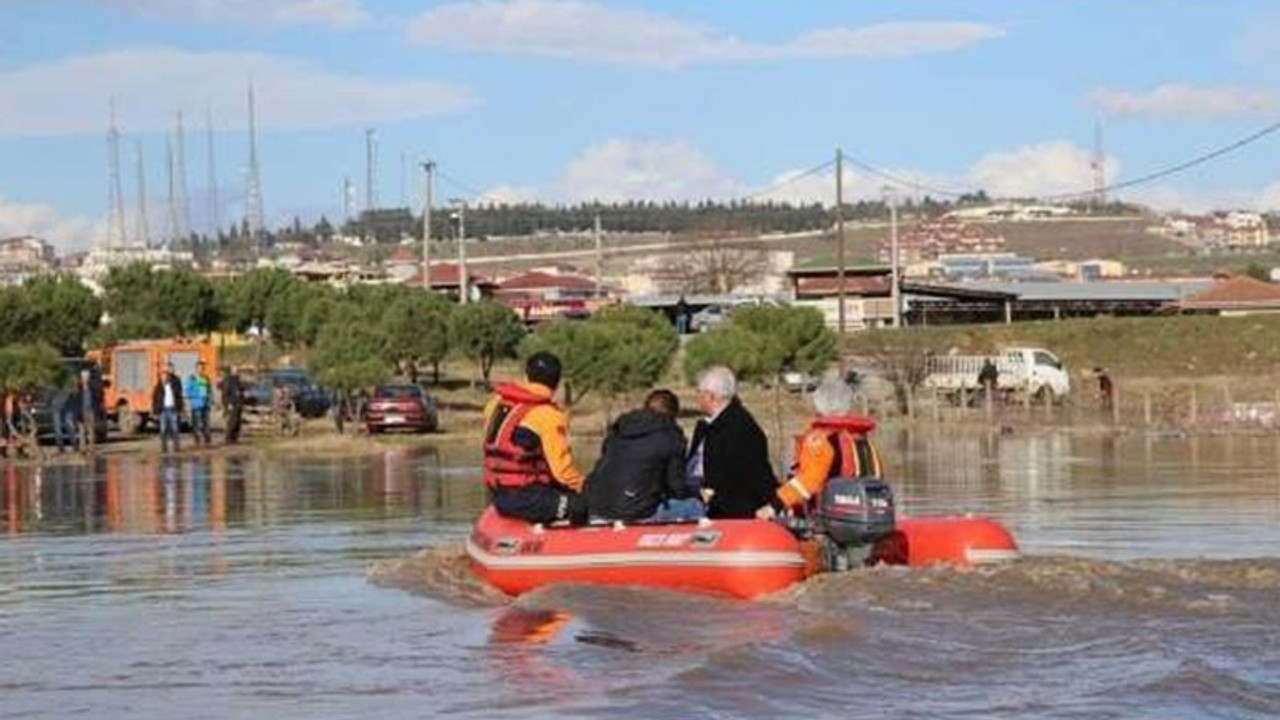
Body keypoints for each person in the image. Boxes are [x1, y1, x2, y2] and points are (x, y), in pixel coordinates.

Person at [756, 371, 883, 519]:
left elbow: (809, 481)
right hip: (863, 517)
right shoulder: (862, 441)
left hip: (828, 522)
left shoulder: (820, 440)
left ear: (819, 405)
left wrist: (774, 506)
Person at [481, 351, 587, 525]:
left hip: (497, 492)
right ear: (557, 382)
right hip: (525, 497)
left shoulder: (496, 403)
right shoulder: (548, 416)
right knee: (583, 505)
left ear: (527, 376)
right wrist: (587, 489)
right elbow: (563, 474)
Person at [586, 389, 701, 522]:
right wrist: (697, 493)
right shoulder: (671, 436)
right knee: (694, 507)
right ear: (673, 414)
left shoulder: (620, 427)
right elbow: (677, 488)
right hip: (635, 512)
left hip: (596, 505)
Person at [687, 366, 776, 519]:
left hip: (730, 513)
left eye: (699, 393)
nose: (697, 398)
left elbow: (750, 476)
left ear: (711, 396)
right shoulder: (706, 426)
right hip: (700, 499)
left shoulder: (739, 428)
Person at [152, 364, 184, 453]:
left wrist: (180, 409)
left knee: (175, 428)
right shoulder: (158, 387)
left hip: (173, 409)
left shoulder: (173, 386)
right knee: (163, 429)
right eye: (163, 376)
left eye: (166, 376)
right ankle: (164, 448)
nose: (164, 378)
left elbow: (178, 397)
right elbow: (154, 399)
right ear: (161, 378)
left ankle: (176, 447)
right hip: (163, 410)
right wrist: (155, 411)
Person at [184, 361, 213, 446]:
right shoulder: (192, 378)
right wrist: (195, 397)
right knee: (196, 424)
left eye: (202, 368)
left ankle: (207, 441)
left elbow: (209, 390)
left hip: (206, 404)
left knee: (206, 423)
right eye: (199, 368)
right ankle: (197, 441)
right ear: (196, 369)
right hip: (196, 405)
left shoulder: (206, 378)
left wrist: (210, 399)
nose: (201, 370)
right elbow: (187, 391)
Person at [221, 366, 243, 445]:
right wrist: (228, 403)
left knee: (238, 421)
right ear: (231, 371)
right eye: (235, 370)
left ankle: (235, 437)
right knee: (232, 422)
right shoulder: (228, 380)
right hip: (232, 403)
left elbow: (241, 389)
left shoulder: (238, 380)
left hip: (239, 402)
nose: (237, 371)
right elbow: (225, 393)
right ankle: (228, 438)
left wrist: (243, 394)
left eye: (237, 370)